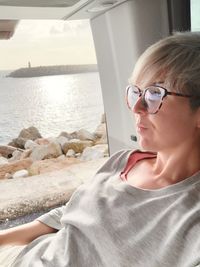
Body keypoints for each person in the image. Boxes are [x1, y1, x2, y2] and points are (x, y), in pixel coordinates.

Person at [0, 31, 200, 267]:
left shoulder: (191, 217)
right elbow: (69, 215)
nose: (136, 107)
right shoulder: (121, 161)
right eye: (136, 91)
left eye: (155, 94)